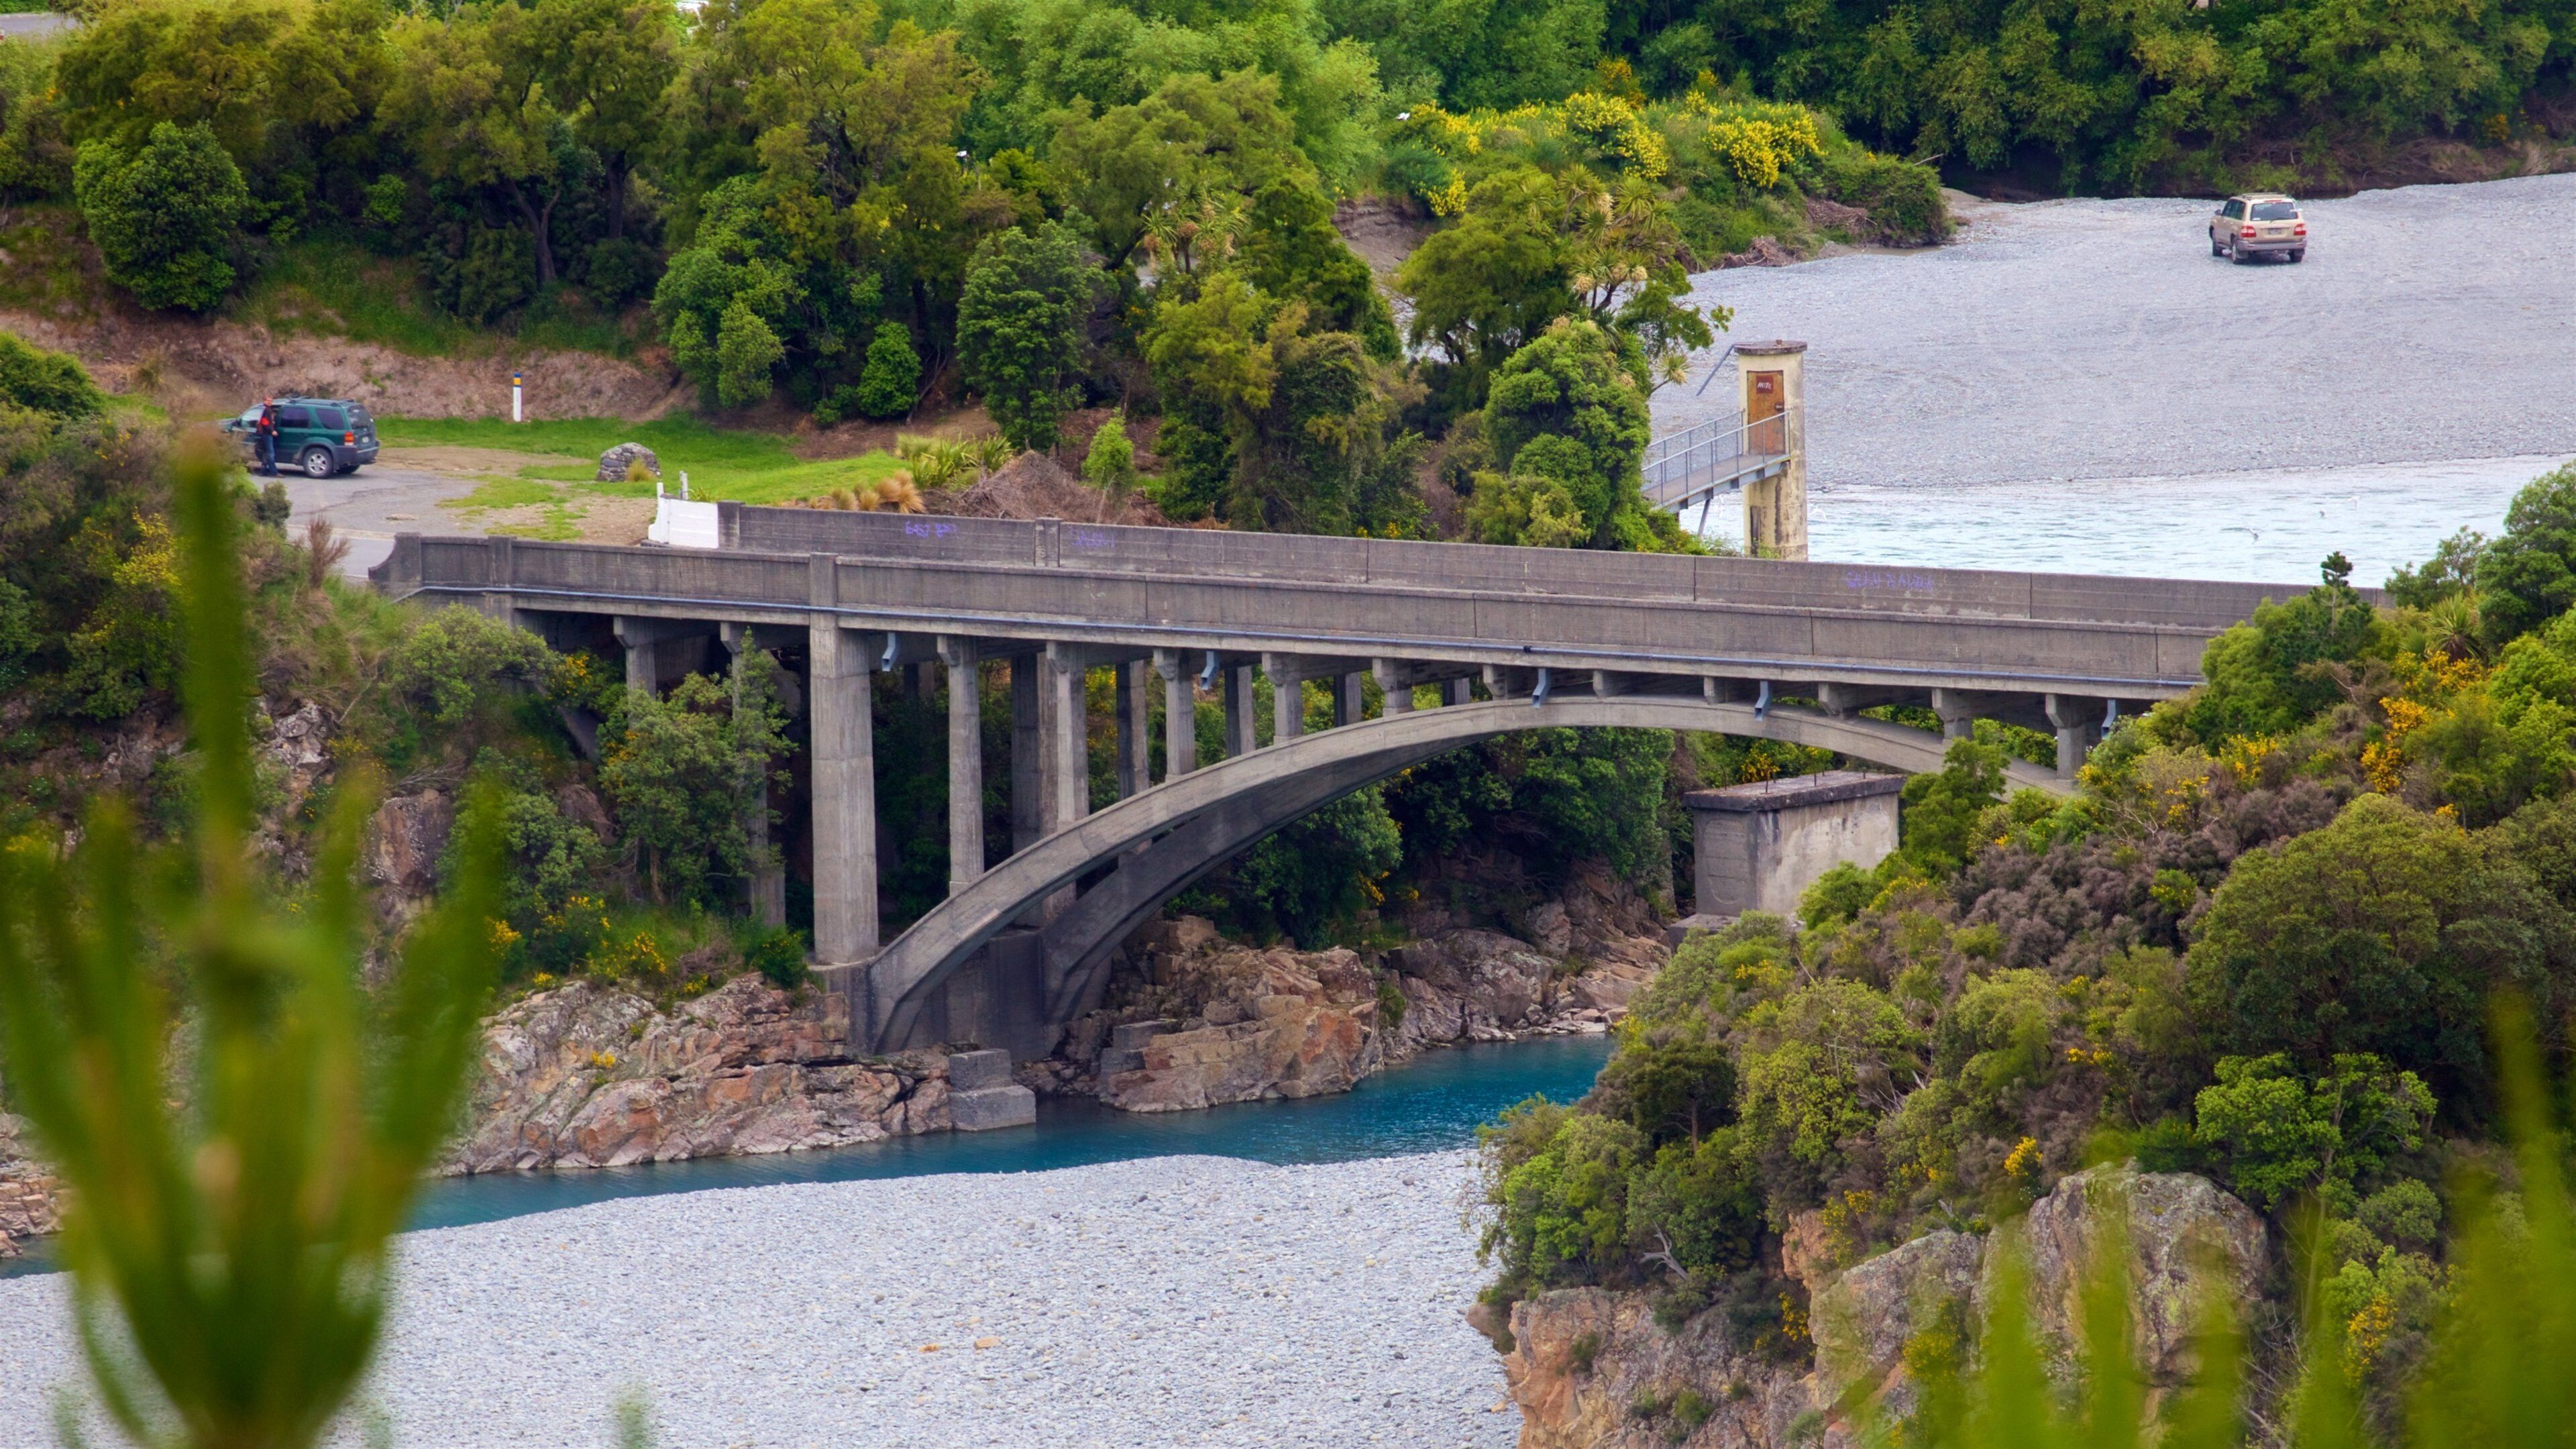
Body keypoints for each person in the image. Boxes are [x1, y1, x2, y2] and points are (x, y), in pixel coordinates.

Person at [253, 399, 279, 476]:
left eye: (271, 401)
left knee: (266, 453)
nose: (269, 402)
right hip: (266, 434)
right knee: (270, 453)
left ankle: (263, 472)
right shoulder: (265, 410)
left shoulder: (267, 410)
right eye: (268, 400)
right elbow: (265, 423)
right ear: (264, 401)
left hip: (264, 434)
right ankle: (274, 472)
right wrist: (272, 431)